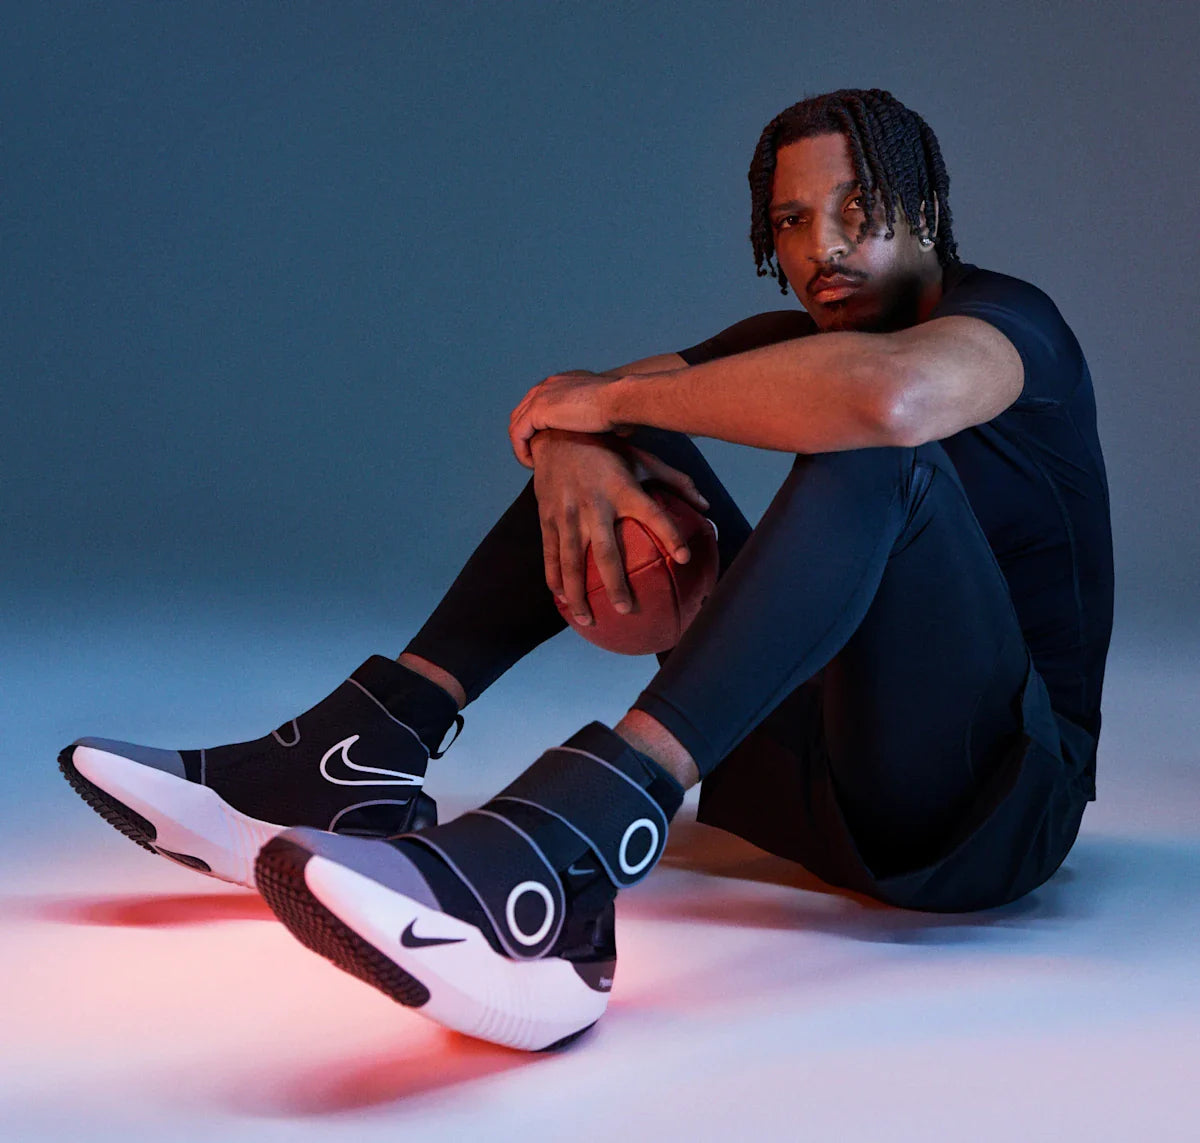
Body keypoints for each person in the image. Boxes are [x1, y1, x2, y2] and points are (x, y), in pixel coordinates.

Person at [60, 88, 1113, 1051]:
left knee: (879, 456)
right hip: (818, 786)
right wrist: (585, 441)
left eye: (859, 208)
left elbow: (891, 399)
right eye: (791, 220)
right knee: (640, 439)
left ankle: (571, 855)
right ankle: (358, 758)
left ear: (924, 206)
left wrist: (601, 409)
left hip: (990, 815)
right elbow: (569, 400)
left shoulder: (1012, 325)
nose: (822, 247)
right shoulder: (789, 337)